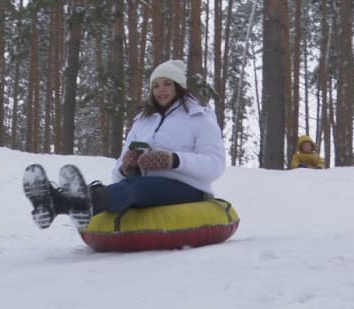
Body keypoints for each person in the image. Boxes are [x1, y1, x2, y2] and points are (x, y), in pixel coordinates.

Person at [23, 60, 225, 230]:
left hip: (187, 188)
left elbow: (215, 166)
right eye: (155, 85)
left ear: (178, 86)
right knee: (127, 185)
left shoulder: (199, 117)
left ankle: (75, 203)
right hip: (143, 184)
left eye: (167, 84)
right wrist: (126, 167)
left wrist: (174, 160)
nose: (161, 90)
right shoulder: (143, 121)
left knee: (132, 188)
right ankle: (52, 204)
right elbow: (118, 174)